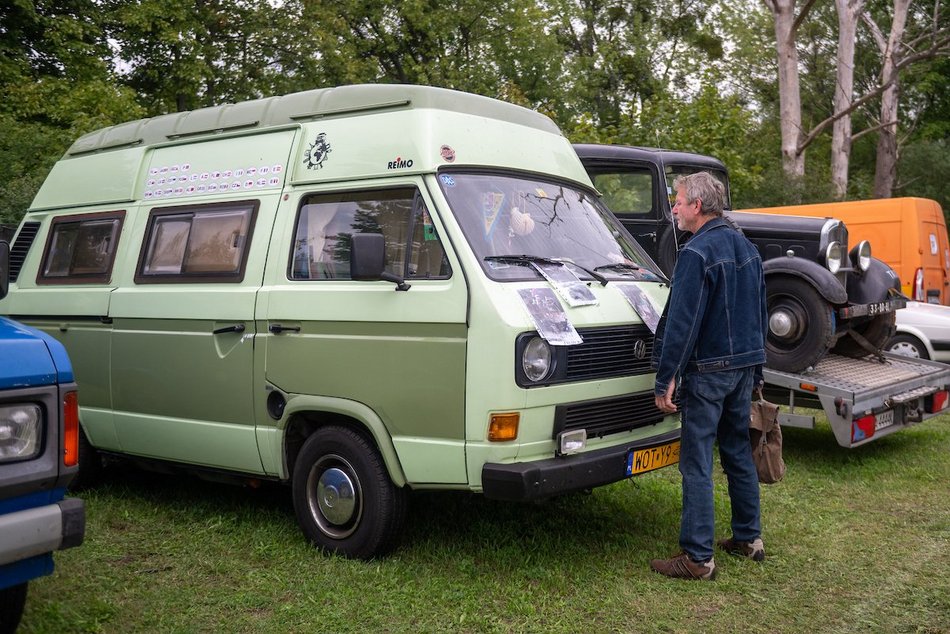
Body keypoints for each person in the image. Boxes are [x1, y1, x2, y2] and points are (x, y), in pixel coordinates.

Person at [648, 171, 768, 581]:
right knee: (736, 450)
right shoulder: (748, 248)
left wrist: (666, 377)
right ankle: (749, 538)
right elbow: (760, 314)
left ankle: (698, 557)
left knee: (696, 461)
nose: (674, 209)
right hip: (742, 369)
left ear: (697, 206)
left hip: (709, 372)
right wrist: (757, 371)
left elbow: (683, 322)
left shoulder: (696, 253)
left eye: (678, 201)